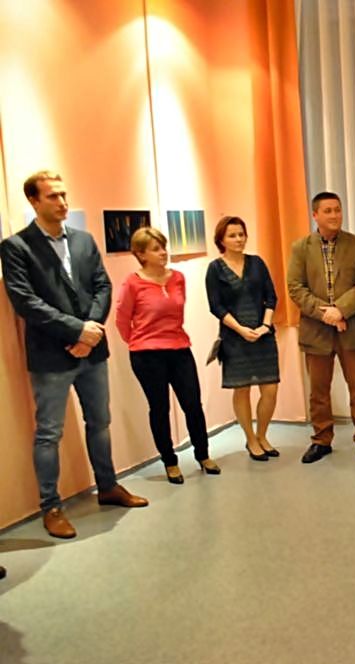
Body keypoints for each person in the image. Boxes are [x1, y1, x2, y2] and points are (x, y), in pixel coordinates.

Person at [0, 171, 148, 539]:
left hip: (92, 352)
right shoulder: (17, 247)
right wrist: (76, 331)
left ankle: (108, 486)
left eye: (64, 194)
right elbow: (26, 302)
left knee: (100, 422)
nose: (62, 202)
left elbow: (102, 285)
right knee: (48, 433)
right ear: (34, 201)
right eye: (53, 196)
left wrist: (90, 332)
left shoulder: (83, 240)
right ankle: (51, 507)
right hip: (51, 356)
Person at [115, 227, 220, 484]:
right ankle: (170, 462)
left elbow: (177, 312)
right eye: (156, 249)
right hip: (147, 356)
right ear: (141, 254)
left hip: (179, 348)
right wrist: (140, 342)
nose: (163, 252)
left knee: (192, 405)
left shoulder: (178, 278)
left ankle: (203, 454)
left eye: (163, 247)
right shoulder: (132, 283)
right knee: (160, 409)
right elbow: (122, 320)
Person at [288, 192, 355, 464]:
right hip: (316, 331)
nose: (334, 215)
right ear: (315, 215)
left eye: (337, 209)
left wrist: (340, 310)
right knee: (318, 390)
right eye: (327, 211)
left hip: (352, 327)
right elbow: (295, 287)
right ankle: (321, 440)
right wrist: (325, 314)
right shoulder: (301, 248)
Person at [205, 216, 281, 462]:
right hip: (234, 338)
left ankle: (262, 435)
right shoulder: (215, 269)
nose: (239, 239)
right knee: (242, 389)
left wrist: (265, 326)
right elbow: (216, 306)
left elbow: (271, 296)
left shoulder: (257, 263)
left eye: (241, 234)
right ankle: (251, 439)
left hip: (263, 335)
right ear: (221, 240)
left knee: (270, 389)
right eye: (232, 235)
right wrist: (241, 329)